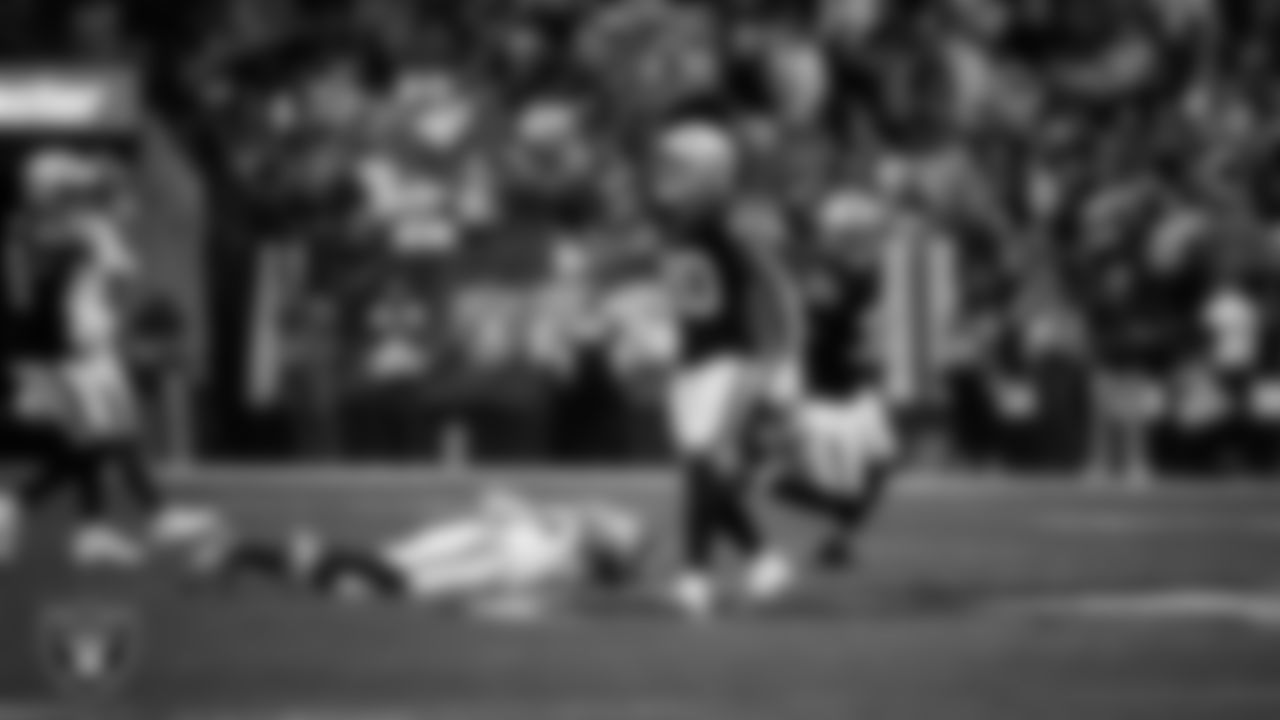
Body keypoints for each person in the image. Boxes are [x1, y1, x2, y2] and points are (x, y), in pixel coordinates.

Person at [649, 121, 799, 619]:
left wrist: (783, 356)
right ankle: (763, 560)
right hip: (692, 362)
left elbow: (777, 287)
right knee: (703, 469)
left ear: (711, 173)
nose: (666, 175)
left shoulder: (735, 225)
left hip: (730, 359)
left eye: (678, 166)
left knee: (702, 465)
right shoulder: (678, 226)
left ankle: (694, 576)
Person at [194, 488, 648, 619]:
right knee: (391, 577)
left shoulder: (572, 552)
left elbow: (607, 569)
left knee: (356, 589)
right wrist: (518, 519)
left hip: (482, 560)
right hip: (474, 550)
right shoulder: (565, 530)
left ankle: (242, 553)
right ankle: (243, 550)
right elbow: (496, 499)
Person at [768, 191, 899, 569]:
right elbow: (823, 324)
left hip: (852, 388)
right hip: (829, 394)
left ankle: (839, 539)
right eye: (863, 235)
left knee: (883, 463)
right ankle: (837, 523)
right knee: (798, 482)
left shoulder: (851, 274)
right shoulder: (831, 277)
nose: (872, 243)